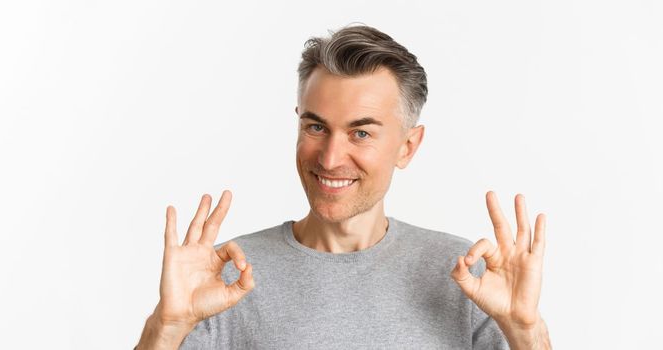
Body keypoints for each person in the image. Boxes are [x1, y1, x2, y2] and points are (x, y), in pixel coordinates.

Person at [135, 24, 552, 350]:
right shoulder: (226, 277)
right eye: (316, 126)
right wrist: (167, 327)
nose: (330, 158)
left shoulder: (465, 276)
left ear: (407, 146)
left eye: (361, 133)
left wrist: (525, 331)